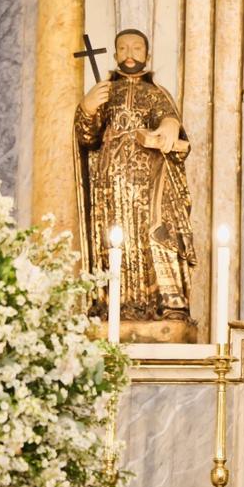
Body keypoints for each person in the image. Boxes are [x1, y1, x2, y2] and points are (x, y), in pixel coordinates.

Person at [74, 28, 195, 322]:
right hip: (110, 182)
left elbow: (168, 118)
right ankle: (113, 305)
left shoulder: (155, 93)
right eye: (123, 49)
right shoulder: (106, 91)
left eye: (136, 48)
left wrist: (169, 125)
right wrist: (87, 108)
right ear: (116, 54)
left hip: (148, 182)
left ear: (147, 55)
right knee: (114, 238)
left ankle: (164, 303)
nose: (129, 54)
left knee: (156, 234)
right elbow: (87, 137)